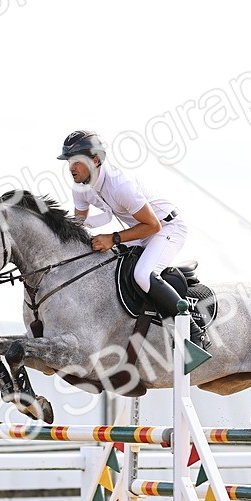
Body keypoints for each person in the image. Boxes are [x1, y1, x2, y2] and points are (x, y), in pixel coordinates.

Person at [57, 130, 202, 342]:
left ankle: (193, 331)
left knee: (142, 275)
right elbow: (79, 225)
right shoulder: (80, 188)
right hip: (139, 230)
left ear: (95, 160)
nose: (71, 167)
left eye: (77, 161)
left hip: (167, 227)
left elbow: (153, 226)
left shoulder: (119, 185)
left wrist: (113, 238)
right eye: (69, 161)